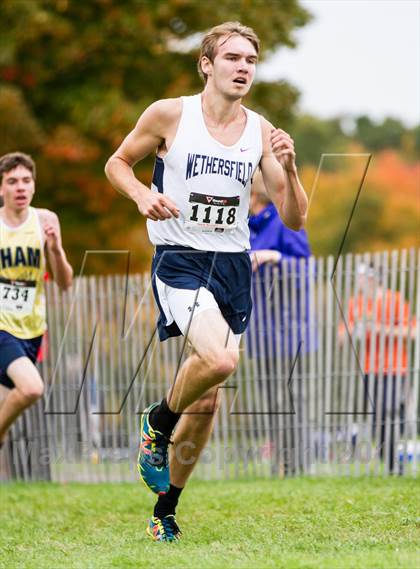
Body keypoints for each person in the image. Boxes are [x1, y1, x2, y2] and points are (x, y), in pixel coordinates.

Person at [105, 21, 308, 542]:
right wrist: (141, 197)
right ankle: (157, 421)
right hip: (180, 257)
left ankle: (165, 510)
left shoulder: (261, 130)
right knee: (220, 361)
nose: (244, 68)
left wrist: (291, 168)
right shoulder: (170, 113)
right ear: (207, 64)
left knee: (210, 397)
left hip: (233, 265)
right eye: (233, 58)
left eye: (251, 61)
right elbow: (117, 163)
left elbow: (294, 219)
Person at [0, 151, 73, 450]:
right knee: (31, 388)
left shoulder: (45, 220)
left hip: (31, 330)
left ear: (34, 185)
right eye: (12, 181)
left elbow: (65, 282)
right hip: (2, 328)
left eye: (26, 181)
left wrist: (54, 248)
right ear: (1, 188)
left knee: (9, 400)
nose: (20, 187)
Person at [248, 169, 311, 476]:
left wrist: (272, 256)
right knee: (270, 398)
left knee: (292, 398)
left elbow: (305, 267)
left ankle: (296, 465)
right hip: (259, 329)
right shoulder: (245, 228)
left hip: (289, 329)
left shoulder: (285, 221)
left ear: (254, 194)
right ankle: (279, 464)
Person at [339, 262, 416, 473]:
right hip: (370, 369)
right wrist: (355, 329)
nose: (359, 281)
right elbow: (341, 337)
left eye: (362, 276)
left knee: (389, 410)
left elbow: (411, 333)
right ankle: (388, 457)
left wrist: (380, 329)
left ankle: (393, 461)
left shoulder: (395, 300)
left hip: (395, 368)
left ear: (374, 278)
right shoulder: (356, 303)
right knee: (378, 416)